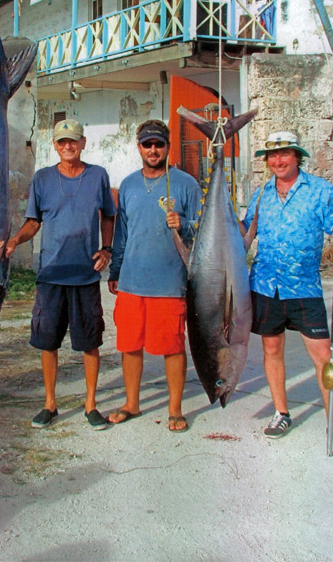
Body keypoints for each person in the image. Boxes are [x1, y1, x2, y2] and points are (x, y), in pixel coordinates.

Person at [243, 130, 333, 448]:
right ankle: (281, 412)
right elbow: (244, 233)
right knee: (272, 350)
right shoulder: (260, 194)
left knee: (323, 355)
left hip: (305, 288)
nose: (278, 161)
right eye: (272, 155)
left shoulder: (321, 191)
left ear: (298, 156)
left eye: (285, 154)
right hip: (266, 286)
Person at [0, 118, 116, 430]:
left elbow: (109, 216)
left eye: (73, 141)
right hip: (50, 274)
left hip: (86, 275)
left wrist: (107, 250)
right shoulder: (43, 178)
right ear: (55, 145)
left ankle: (90, 404)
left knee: (90, 342)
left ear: (83, 142)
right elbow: (33, 222)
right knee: (48, 342)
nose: (68, 146)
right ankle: (50, 403)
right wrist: (14, 240)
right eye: (62, 142)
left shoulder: (98, 175)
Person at [108, 119, 202, 432]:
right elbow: (121, 233)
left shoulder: (186, 184)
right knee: (130, 345)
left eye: (158, 144)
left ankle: (175, 409)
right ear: (138, 147)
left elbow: (202, 231)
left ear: (168, 147)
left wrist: (184, 224)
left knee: (173, 346)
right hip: (132, 281)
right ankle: (131, 404)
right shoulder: (130, 184)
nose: (153, 150)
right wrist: (116, 269)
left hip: (170, 281)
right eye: (147, 144)